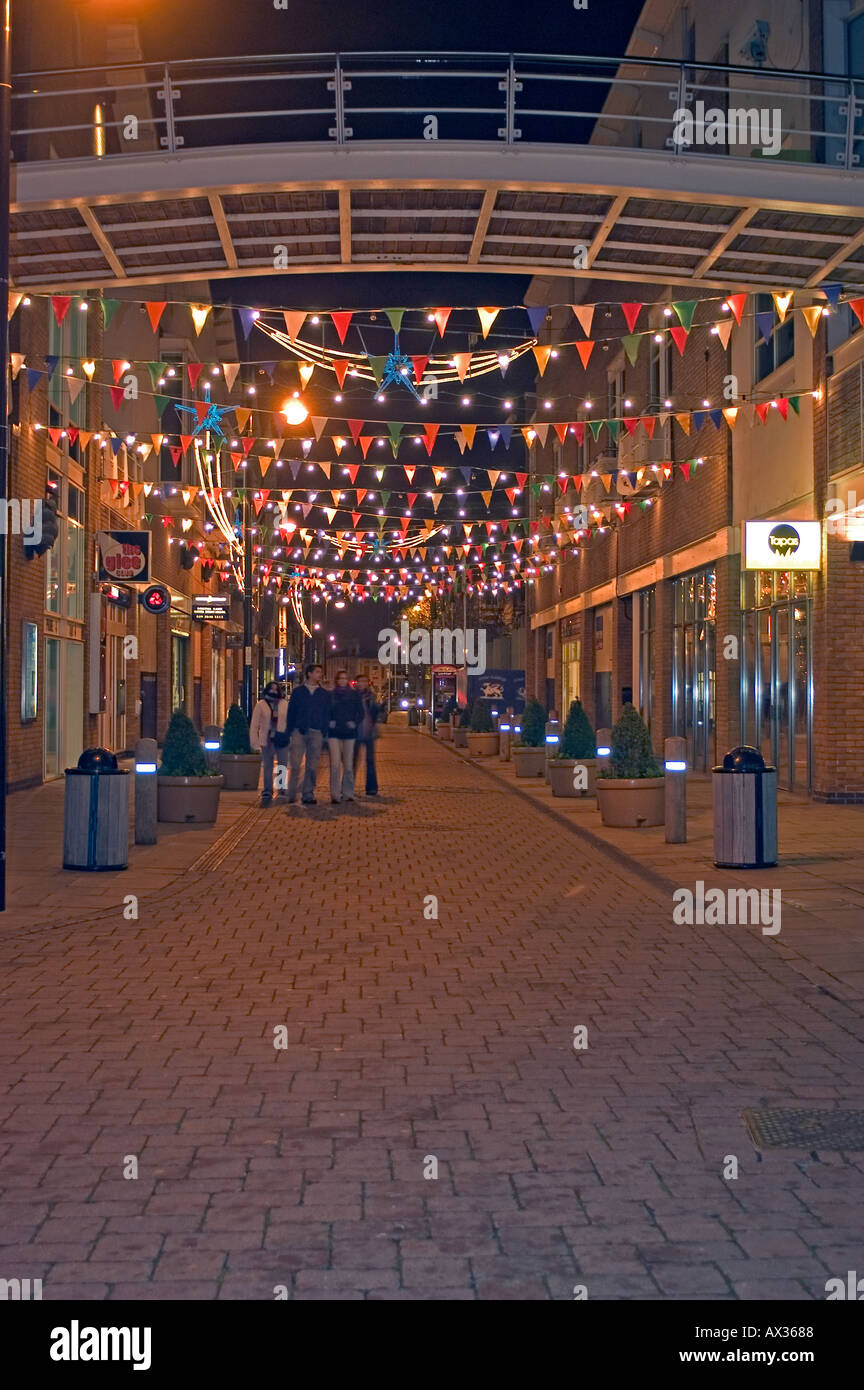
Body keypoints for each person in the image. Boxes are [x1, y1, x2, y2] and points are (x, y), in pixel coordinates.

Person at [285, 663, 331, 804]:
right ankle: (292, 793)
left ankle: (308, 793)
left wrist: (324, 729)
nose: (320, 675)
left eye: (320, 672)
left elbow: (327, 713)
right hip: (299, 731)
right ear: (309, 674)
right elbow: (291, 712)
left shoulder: (323, 694)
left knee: (312, 765)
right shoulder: (298, 692)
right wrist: (290, 731)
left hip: (316, 732)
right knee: (296, 763)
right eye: (317, 672)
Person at [249, 680, 290, 806]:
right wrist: (254, 743)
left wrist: (290, 737)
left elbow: (289, 722)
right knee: (267, 766)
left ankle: (281, 789)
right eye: (271, 689)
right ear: (267, 690)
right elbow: (254, 724)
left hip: (281, 738)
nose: (273, 691)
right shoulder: (261, 704)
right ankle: (267, 791)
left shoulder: (284, 704)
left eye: (276, 689)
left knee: (282, 765)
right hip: (266, 739)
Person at [327, 670, 363, 803]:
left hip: (349, 734)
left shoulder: (354, 695)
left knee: (348, 766)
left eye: (345, 678)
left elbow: (360, 712)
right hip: (334, 733)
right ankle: (335, 794)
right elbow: (326, 711)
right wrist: (330, 721)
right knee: (335, 765)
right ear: (337, 680)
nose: (342, 680)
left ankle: (348, 793)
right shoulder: (331, 695)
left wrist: (354, 722)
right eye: (340, 678)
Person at [353, 673, 381, 796]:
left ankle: (371, 788)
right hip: (355, 732)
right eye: (360, 681)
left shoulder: (372, 696)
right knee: (352, 761)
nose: (363, 684)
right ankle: (348, 787)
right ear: (356, 683)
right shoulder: (352, 696)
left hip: (369, 732)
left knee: (370, 760)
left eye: (365, 681)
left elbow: (377, 713)